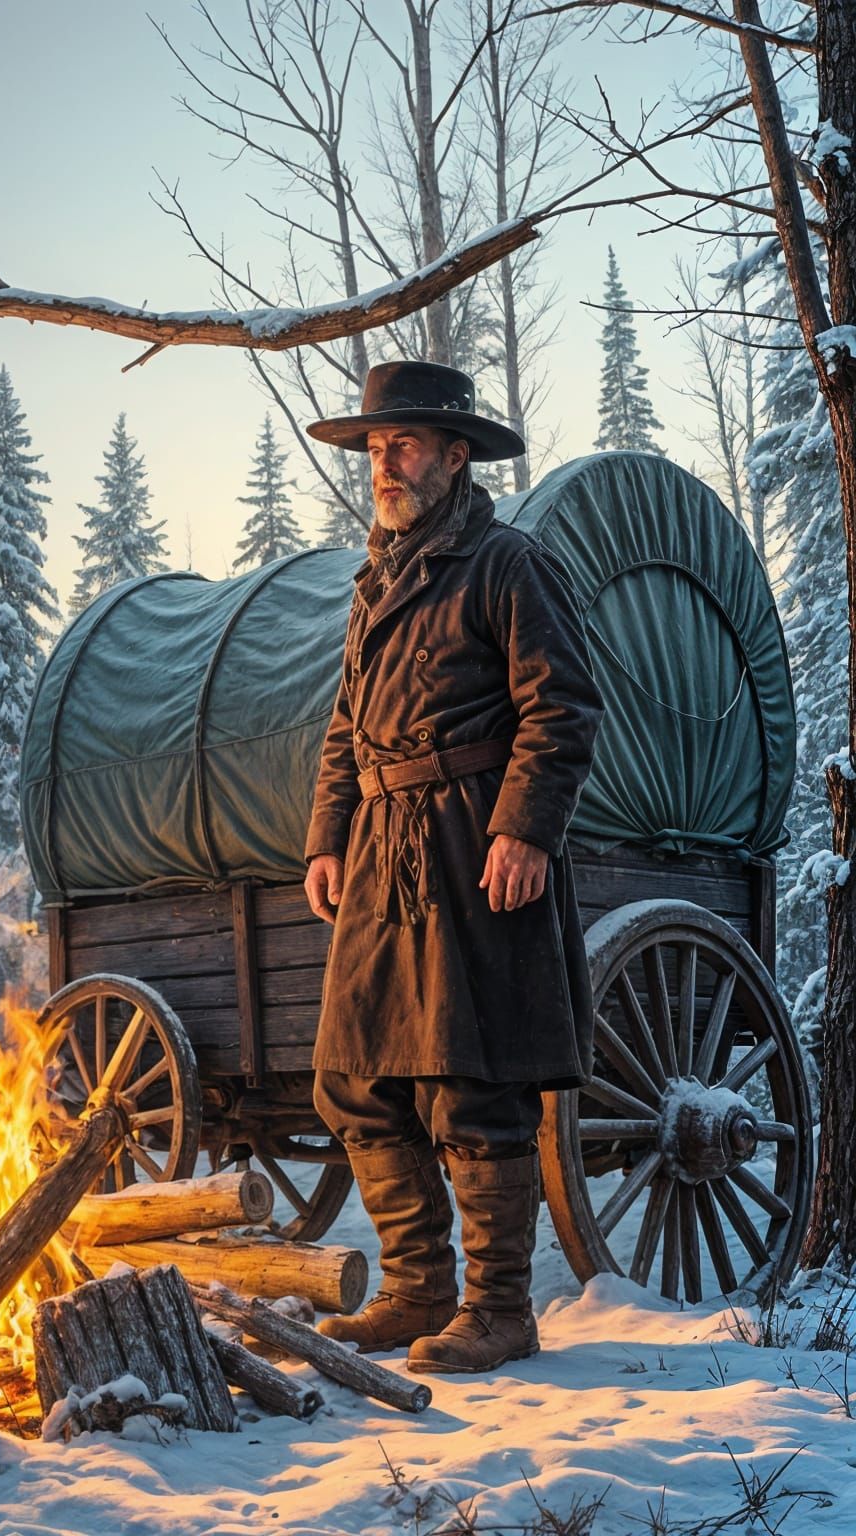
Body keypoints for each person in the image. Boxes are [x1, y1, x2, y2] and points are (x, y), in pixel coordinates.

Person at [301, 361, 603, 1375]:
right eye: (376, 448)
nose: (385, 463)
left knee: (473, 1082)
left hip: (475, 840)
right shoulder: (377, 578)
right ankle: (416, 1291)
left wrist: (526, 827)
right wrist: (327, 836)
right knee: (354, 1077)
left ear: (454, 455)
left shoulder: (505, 564)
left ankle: (500, 1308)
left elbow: (561, 704)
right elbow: (345, 728)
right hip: (383, 846)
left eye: (405, 445)